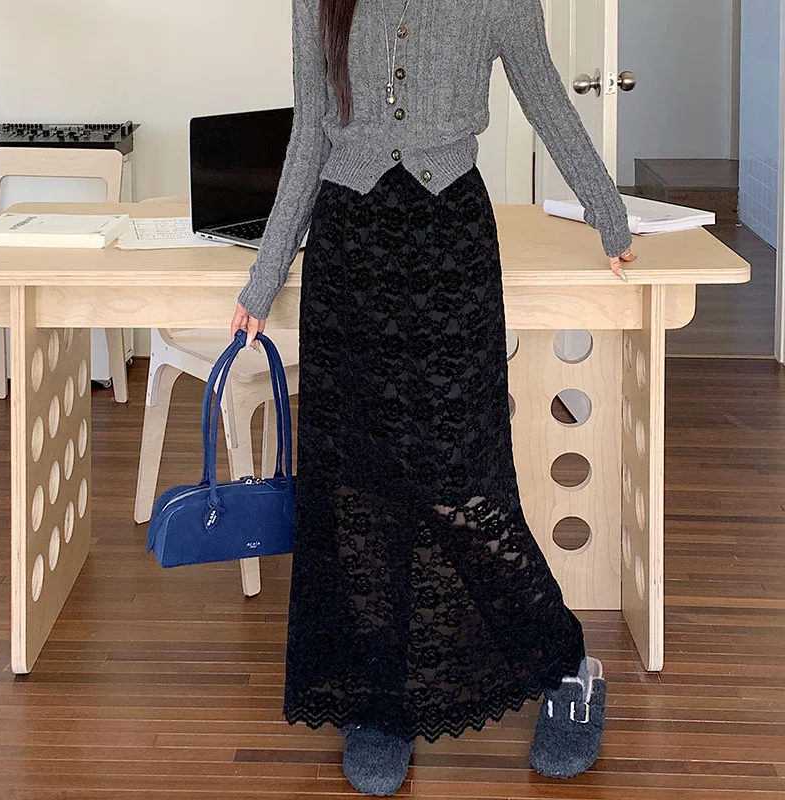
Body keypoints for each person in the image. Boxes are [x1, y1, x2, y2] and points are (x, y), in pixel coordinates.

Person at [231, 0, 637, 795]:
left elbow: (546, 98)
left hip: (450, 246)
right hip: (348, 253)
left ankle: (567, 663)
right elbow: (310, 131)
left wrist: (608, 212)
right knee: (361, 487)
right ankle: (378, 696)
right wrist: (266, 272)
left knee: (463, 480)